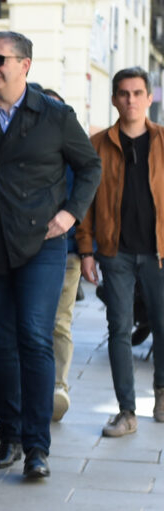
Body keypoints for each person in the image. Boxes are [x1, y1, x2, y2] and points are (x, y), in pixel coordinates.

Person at [0, 31, 100, 479]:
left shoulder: (55, 116)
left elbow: (89, 166)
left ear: (25, 65)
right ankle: (11, 436)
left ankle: (38, 446)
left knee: (35, 338)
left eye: (0, 59)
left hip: (42, 244)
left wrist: (71, 213)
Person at [77, 66, 164, 437]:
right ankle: (126, 410)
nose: (130, 100)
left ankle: (161, 394)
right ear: (114, 98)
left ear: (149, 97)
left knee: (163, 326)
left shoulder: (162, 140)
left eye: (137, 93)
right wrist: (86, 250)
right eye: (124, 93)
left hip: (159, 252)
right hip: (115, 252)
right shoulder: (97, 144)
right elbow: (85, 202)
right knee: (118, 330)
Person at [38, 88, 86, 423]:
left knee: (59, 321)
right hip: (24, 253)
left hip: (66, 252)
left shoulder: (75, 153)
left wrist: (87, 250)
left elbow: (86, 203)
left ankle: (58, 387)